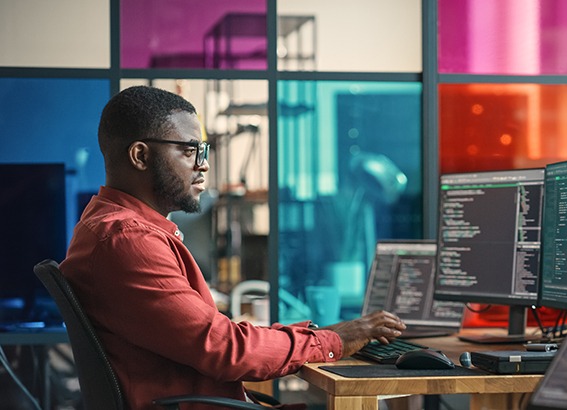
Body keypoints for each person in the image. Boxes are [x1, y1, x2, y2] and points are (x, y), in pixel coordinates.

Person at [59, 85, 406, 409]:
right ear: (140, 155)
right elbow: (225, 349)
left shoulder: (113, 228)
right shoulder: (127, 239)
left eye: (203, 150)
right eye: (189, 150)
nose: (204, 164)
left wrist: (320, 335)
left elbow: (218, 339)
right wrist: (334, 341)